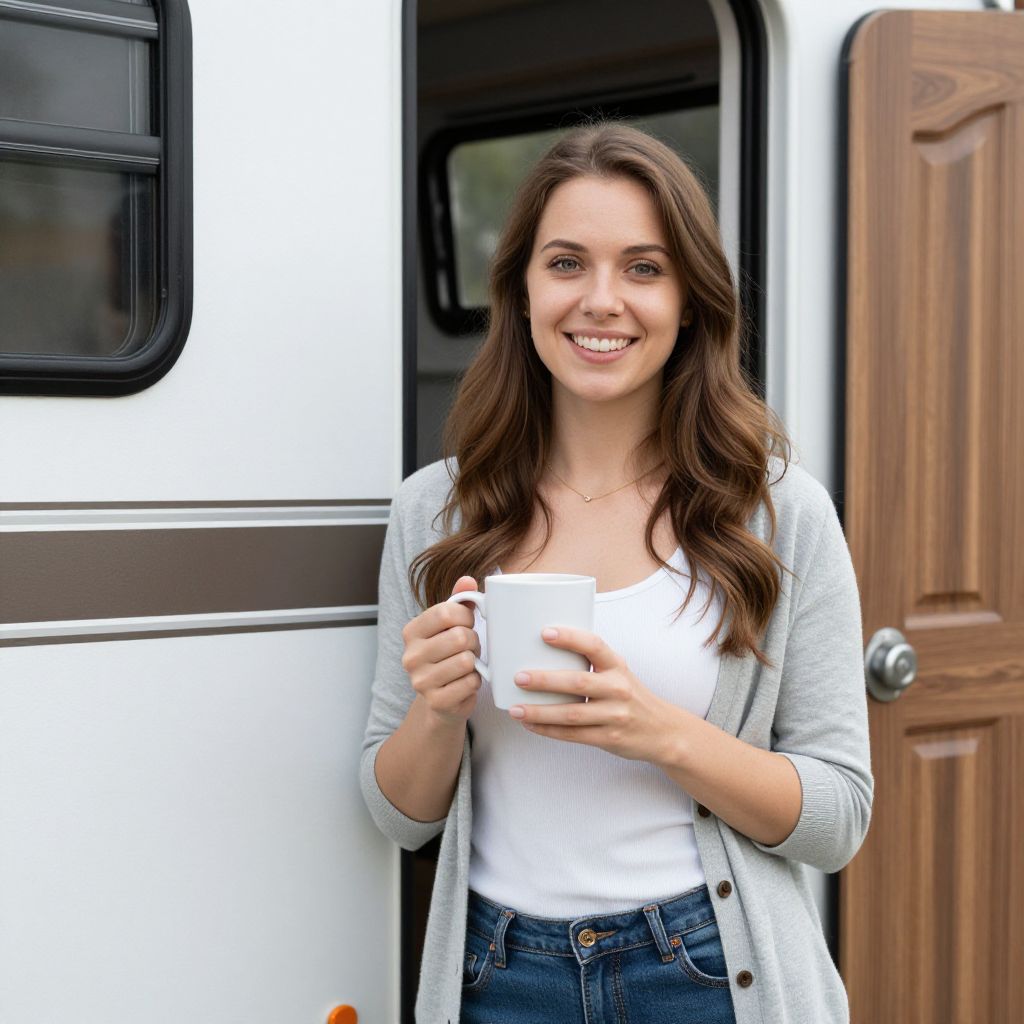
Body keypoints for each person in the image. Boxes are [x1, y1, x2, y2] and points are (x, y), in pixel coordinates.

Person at [360, 122, 872, 1024]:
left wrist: (659, 732)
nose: (602, 301)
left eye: (644, 268)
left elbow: (839, 818)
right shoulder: (434, 511)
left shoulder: (779, 514)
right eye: (567, 263)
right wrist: (436, 711)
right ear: (521, 290)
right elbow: (401, 817)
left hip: (705, 972)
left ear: (689, 301)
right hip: (499, 977)